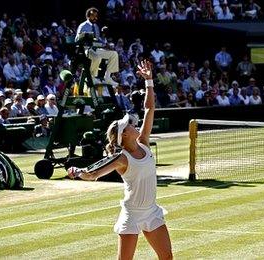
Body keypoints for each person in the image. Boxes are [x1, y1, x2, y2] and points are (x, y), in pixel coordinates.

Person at [67, 60, 173, 260]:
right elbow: (94, 175)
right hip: (132, 214)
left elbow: (149, 109)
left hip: (151, 211)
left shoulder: (143, 142)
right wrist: (79, 172)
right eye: (128, 126)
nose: (133, 125)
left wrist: (149, 81)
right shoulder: (122, 159)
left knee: (167, 257)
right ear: (124, 136)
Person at [76, 7, 120, 86]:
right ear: (88, 16)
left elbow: (98, 40)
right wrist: (85, 36)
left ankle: (107, 78)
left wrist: (106, 44)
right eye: (93, 15)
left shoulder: (96, 26)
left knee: (114, 54)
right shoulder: (83, 25)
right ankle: (91, 77)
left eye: (96, 15)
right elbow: (77, 39)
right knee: (97, 57)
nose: (95, 17)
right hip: (85, 49)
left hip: (96, 49)